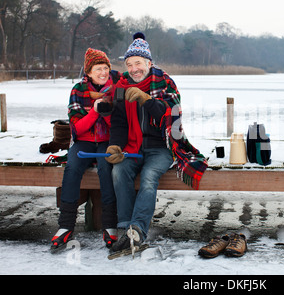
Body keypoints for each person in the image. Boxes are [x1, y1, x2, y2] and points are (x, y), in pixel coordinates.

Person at [106, 33, 208, 253]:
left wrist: (148, 101)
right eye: (129, 64)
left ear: (149, 63)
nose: (134, 69)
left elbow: (173, 115)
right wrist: (115, 146)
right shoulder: (121, 86)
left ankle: (137, 231)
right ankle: (125, 227)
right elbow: (119, 123)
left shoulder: (164, 82)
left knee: (150, 177)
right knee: (118, 171)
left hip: (161, 147)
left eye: (138, 63)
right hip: (132, 148)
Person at [50, 48, 120, 252]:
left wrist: (106, 112)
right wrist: (95, 112)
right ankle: (65, 225)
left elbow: (118, 126)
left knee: (106, 169)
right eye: (98, 68)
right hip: (84, 140)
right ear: (88, 71)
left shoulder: (116, 89)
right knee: (72, 168)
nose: (103, 72)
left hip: (107, 139)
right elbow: (77, 129)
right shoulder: (78, 90)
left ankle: (109, 223)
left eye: (106, 68)